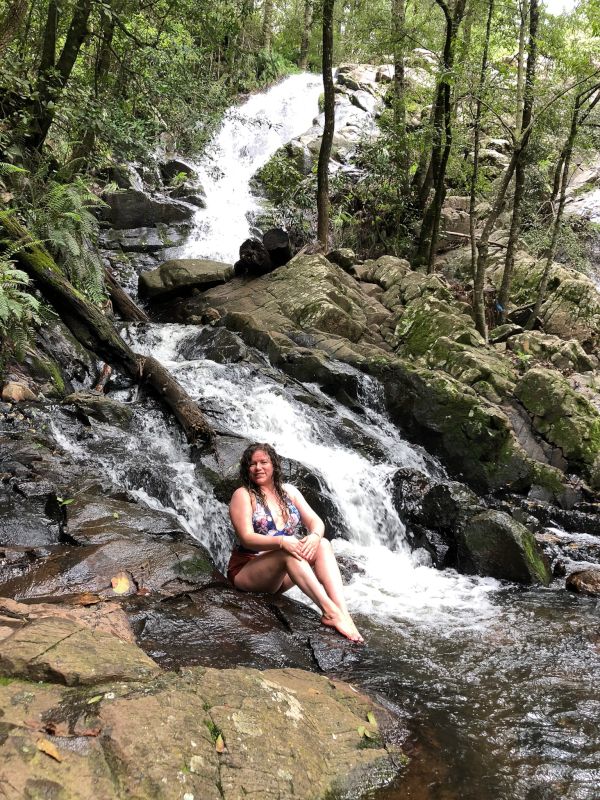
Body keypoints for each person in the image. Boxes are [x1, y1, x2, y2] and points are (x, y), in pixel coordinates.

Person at [227, 442, 363, 643]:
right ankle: (329, 612)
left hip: (281, 575)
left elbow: (316, 522)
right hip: (248, 572)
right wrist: (281, 541)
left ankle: (343, 613)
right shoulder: (243, 495)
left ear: (273, 465)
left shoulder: (288, 491)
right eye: (252, 464)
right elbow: (247, 537)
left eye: (263, 462)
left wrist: (315, 536)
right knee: (287, 552)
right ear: (247, 469)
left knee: (323, 544)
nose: (258, 468)